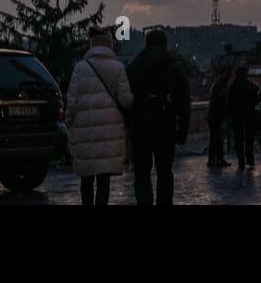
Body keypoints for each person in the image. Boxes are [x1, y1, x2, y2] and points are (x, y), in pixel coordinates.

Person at [64, 26, 133, 205]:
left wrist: (68, 121)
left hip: (84, 131)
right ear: (109, 46)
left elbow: (71, 100)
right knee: (104, 180)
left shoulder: (80, 68)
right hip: (110, 132)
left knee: (86, 178)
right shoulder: (118, 67)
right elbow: (126, 101)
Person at [125, 29, 190, 204]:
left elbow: (126, 99)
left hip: (140, 128)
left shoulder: (134, 67)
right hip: (166, 127)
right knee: (165, 173)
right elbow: (184, 102)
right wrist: (182, 131)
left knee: (142, 174)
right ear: (165, 44)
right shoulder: (174, 66)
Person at [227, 66, 259, 169]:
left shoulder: (232, 86)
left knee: (238, 138)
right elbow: (256, 100)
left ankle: (241, 160)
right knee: (249, 138)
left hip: (236, 115)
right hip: (249, 114)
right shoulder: (250, 86)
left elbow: (229, 102)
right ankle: (250, 159)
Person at [206, 65, 232, 168]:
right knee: (215, 139)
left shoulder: (220, 83)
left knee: (217, 138)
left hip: (216, 116)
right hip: (215, 116)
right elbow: (223, 97)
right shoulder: (219, 84)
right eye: (228, 73)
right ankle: (214, 160)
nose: (229, 76)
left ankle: (217, 160)